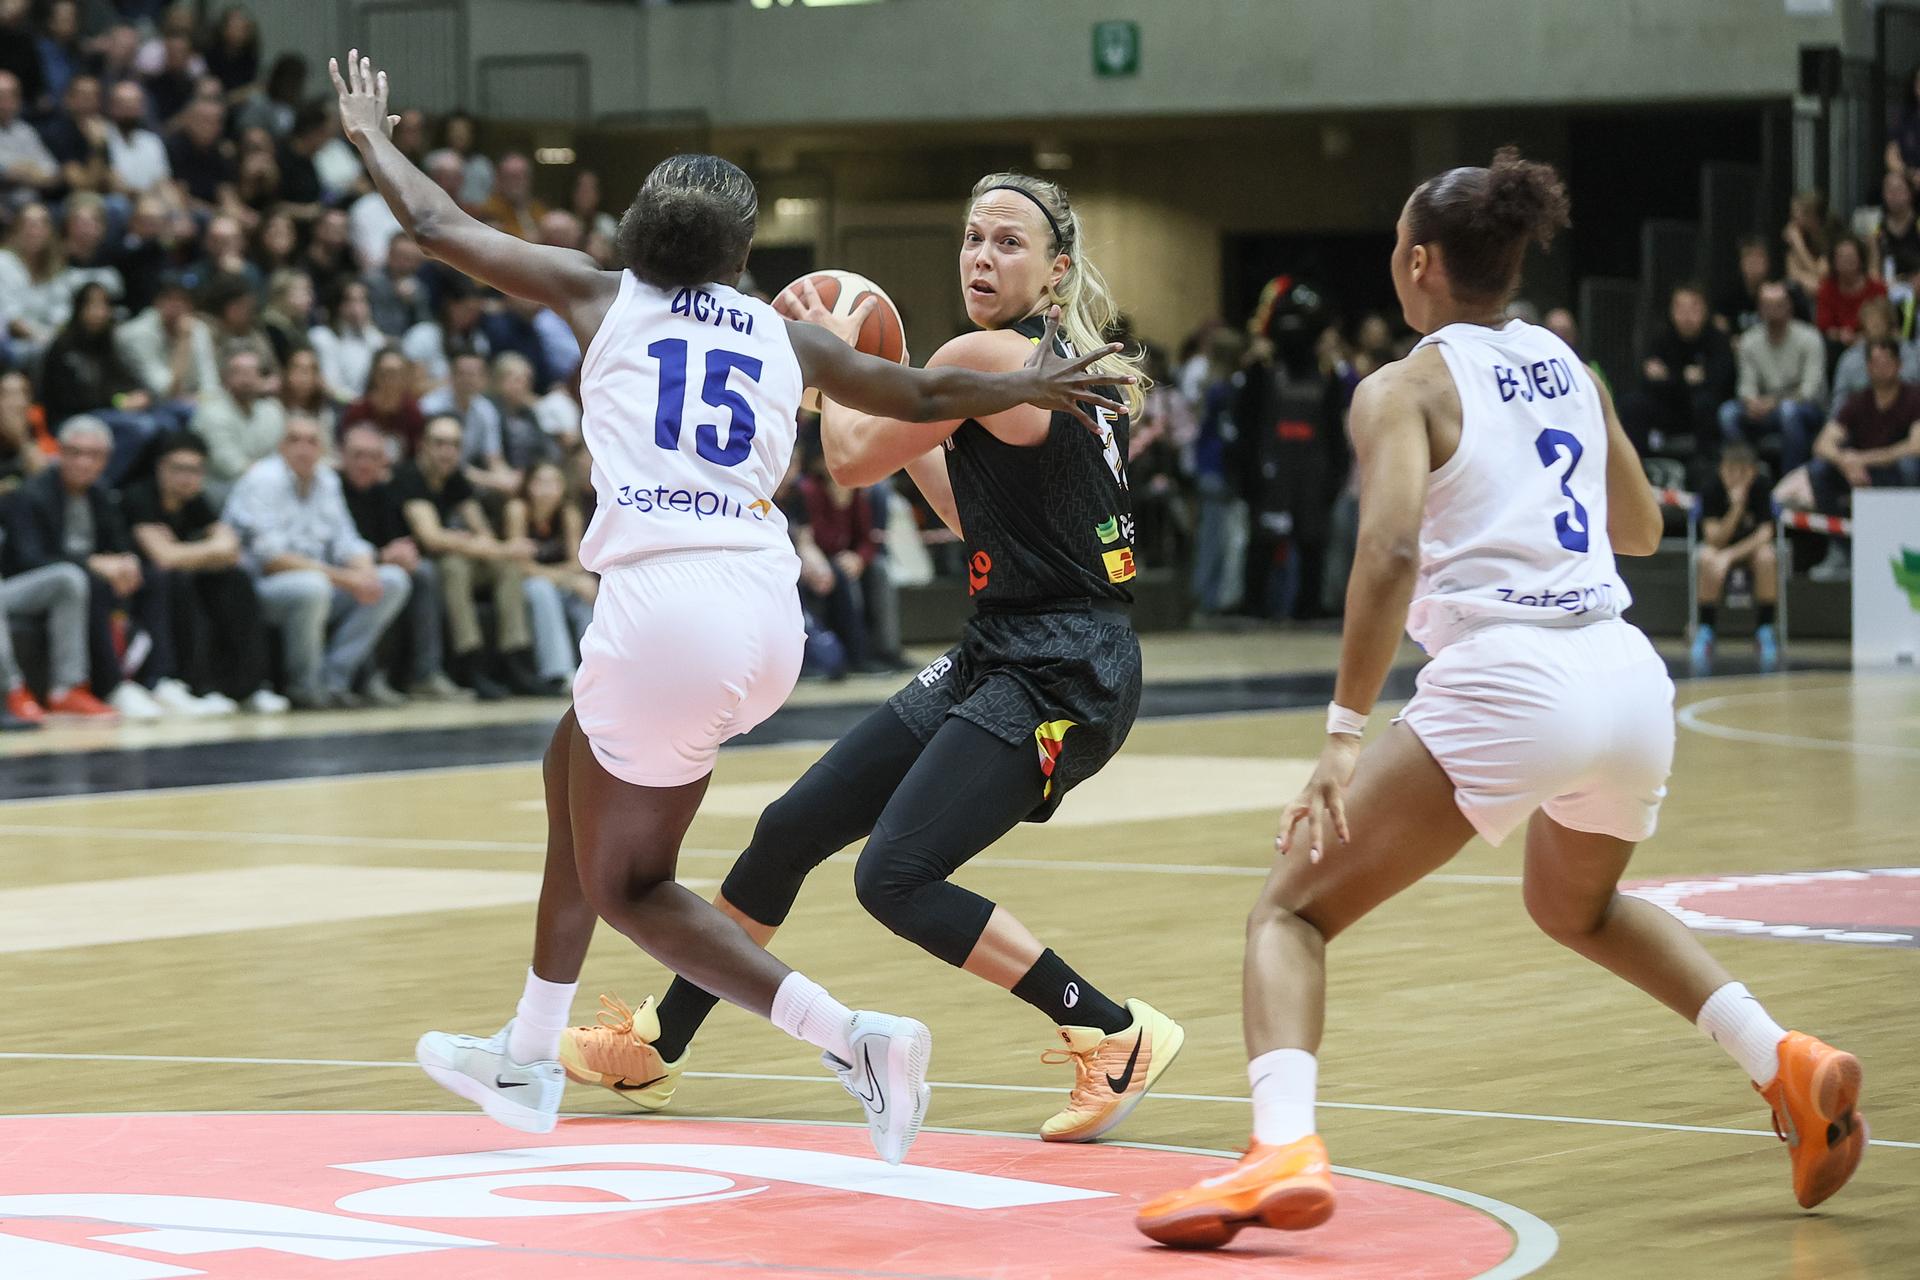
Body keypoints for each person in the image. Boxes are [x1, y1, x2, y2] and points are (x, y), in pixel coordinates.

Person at [331, 50, 1120, 1155]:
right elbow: (928, 393)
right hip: (765, 609)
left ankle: (852, 1038)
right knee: (573, 764)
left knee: (634, 884)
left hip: (666, 613)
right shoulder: (781, 334)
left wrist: (370, 133)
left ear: (635, 233)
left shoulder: (599, 295)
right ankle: (525, 1048)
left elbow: (436, 224)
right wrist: (1028, 381)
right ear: (742, 255)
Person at [1135, 149, 1865, 1249]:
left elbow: (1384, 549)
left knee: (1290, 909)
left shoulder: (1405, 387)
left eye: (1393, 241)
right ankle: (1785, 1061)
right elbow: (1644, 529)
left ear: (1419, 262)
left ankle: (1280, 1143)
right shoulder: (1568, 363)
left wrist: (1342, 735)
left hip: (1513, 675)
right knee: (1576, 905)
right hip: (1626, 677)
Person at [565, 168, 1181, 1146]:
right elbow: (957, 501)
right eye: (975, 237)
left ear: (1056, 270)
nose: (983, 256)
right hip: (1006, 644)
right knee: (791, 825)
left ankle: (1112, 1028)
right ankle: (659, 1040)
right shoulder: (1034, 368)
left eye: (1009, 243)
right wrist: (852, 377)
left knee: (893, 874)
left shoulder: (989, 352)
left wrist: (828, 358)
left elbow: (850, 459)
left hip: (1063, 664)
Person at [224, 414, 413, 709]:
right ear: (280, 446)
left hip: (321, 584)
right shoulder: (262, 479)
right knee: (313, 586)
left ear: (323, 448)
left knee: (392, 580)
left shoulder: (326, 480)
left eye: (312, 441)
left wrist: (364, 571)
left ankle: (335, 679)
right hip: (259, 590)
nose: (304, 448)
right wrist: (345, 579)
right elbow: (272, 559)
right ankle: (305, 686)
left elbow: (347, 541)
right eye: (294, 439)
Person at [3, 416, 159, 719]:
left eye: (93, 455)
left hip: (76, 580)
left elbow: (118, 541)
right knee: (79, 578)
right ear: (59, 453)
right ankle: (108, 686)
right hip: (21, 585)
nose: (83, 463)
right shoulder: (31, 494)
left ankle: (157, 680)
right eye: (75, 453)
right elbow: (27, 560)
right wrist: (92, 564)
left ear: (106, 460)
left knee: (152, 577)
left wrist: (127, 561)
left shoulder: (100, 493)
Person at [122, 430, 285, 713]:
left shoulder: (197, 501)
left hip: (183, 575)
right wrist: (204, 552)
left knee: (236, 579)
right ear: (161, 467)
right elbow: (162, 558)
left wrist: (184, 551)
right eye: (179, 469)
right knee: (177, 581)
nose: (187, 477)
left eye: (195, 470)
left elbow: (230, 549)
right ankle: (185, 684)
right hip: (145, 585)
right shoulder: (139, 496)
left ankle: (248, 686)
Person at [391, 413, 541, 699]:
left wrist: (492, 547)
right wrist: (495, 546)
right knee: (454, 566)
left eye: (454, 445)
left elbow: (481, 529)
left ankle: (515, 659)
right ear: (423, 445)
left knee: (506, 566)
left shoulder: (455, 478)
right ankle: (469, 661)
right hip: (416, 563)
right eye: (439, 443)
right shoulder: (409, 476)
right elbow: (431, 538)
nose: (447, 451)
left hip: (451, 556)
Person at [338, 420, 463, 702]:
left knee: (424, 572)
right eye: (358, 455)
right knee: (382, 583)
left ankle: (426, 672)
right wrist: (381, 557)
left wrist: (401, 554)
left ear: (384, 462)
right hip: (341, 571)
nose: (365, 463)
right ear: (342, 457)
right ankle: (368, 676)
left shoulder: (386, 491)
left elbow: (400, 540)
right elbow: (335, 548)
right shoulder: (332, 488)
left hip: (377, 565)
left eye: (373, 457)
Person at [1805, 336, 1920, 582]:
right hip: (1861, 474)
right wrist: (1844, 462)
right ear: (1867, 367)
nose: (1881, 367)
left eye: (1887, 361)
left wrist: (1862, 459)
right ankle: (1842, 549)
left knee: (1909, 466)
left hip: (1896, 471)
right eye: (1875, 362)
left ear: (1899, 365)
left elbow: (1915, 446)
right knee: (1818, 470)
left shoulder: (1914, 397)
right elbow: (1822, 444)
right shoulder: (1858, 401)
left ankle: (1908, 539)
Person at [1690, 441, 1778, 676]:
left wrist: (1730, 556)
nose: (1735, 478)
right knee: (1707, 557)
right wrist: (1737, 508)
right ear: (1721, 470)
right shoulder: (1711, 488)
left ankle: (1765, 630)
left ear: (1752, 471)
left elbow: (1765, 534)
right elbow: (1713, 539)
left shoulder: (1761, 487)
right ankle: (1706, 630)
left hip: (1748, 551)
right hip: (1719, 549)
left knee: (1767, 556)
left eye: (1742, 472)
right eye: (1730, 471)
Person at [505, 458, 594, 689]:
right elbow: (520, 566)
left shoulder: (568, 514)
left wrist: (569, 580)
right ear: (528, 485)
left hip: (558, 582)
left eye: (554, 482)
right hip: (521, 585)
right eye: (541, 482)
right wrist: (567, 579)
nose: (547, 488)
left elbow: (578, 562)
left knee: (586, 591)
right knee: (541, 589)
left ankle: (595, 669)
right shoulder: (517, 510)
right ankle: (559, 673)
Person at [1721, 281, 1825, 475]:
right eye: (1767, 305)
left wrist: (1774, 402)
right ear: (1759, 309)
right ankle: (1747, 473)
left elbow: (1810, 391)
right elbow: (1746, 386)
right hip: (1763, 407)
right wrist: (1752, 402)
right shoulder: (1749, 341)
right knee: (1728, 413)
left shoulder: (1809, 338)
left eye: (1778, 304)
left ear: (1789, 307)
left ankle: (1791, 479)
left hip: (1804, 408)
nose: (1773, 310)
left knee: (1789, 412)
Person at [1626, 282, 1733, 458]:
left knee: (1705, 404)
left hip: (1700, 411)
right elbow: (1647, 381)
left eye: (1693, 308)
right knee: (1633, 404)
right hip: (1668, 407)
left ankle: (1702, 468)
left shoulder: (1717, 340)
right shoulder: (1662, 337)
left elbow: (1717, 383)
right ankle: (1638, 467)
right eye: (1680, 308)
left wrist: (1669, 376)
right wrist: (1684, 378)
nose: (1686, 316)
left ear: (1705, 310)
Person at [192, 345, 286, 494]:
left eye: (252, 372)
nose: (247, 379)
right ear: (225, 378)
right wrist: (272, 477)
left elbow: (282, 455)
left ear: (262, 378)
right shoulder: (211, 412)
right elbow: (230, 467)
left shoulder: (273, 410)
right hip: (221, 486)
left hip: (266, 484)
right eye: (239, 372)